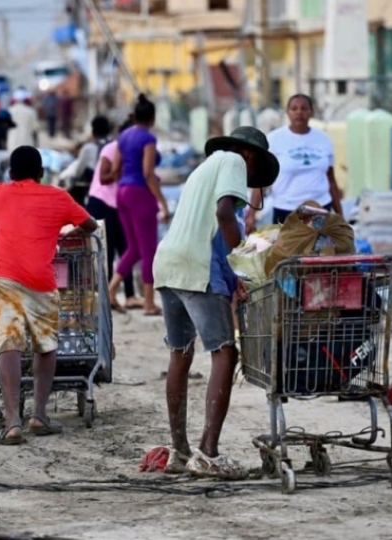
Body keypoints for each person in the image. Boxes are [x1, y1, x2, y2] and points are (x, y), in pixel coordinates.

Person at [152, 126, 279, 478]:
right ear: (251, 154)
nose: (250, 179)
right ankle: (208, 452)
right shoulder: (235, 162)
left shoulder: (204, 168)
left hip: (167, 263)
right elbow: (225, 214)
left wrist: (231, 269)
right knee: (225, 351)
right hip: (196, 268)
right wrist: (243, 262)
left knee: (180, 352)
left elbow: (211, 223)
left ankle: (180, 451)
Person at [0, 146, 99, 445]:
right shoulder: (58, 196)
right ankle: (39, 415)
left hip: (2, 277)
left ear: (10, 173)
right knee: (46, 345)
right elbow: (91, 225)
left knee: (8, 342)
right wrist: (66, 233)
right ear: (41, 173)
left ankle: (11, 423)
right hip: (41, 281)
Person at [106, 94, 169, 316]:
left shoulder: (123, 136)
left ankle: (111, 290)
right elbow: (148, 173)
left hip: (122, 192)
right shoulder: (148, 139)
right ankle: (149, 302)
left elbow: (115, 170)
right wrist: (163, 203)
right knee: (148, 249)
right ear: (152, 118)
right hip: (140, 194)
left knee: (134, 248)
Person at [246, 94, 343, 232]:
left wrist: (340, 216)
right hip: (286, 211)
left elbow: (331, 180)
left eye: (304, 108)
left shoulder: (323, 139)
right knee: (288, 252)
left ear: (311, 112)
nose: (299, 112)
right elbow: (263, 182)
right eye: (294, 108)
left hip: (319, 209)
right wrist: (251, 215)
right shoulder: (274, 139)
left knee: (319, 251)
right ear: (287, 112)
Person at [87, 116, 139, 312]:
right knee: (107, 250)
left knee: (126, 247)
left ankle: (130, 294)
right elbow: (104, 177)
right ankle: (108, 296)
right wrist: (120, 170)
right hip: (102, 202)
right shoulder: (111, 149)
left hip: (120, 204)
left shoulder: (136, 152)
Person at [66, 115, 110, 207]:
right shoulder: (114, 146)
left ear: (93, 131)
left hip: (93, 191)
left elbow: (78, 171)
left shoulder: (88, 148)